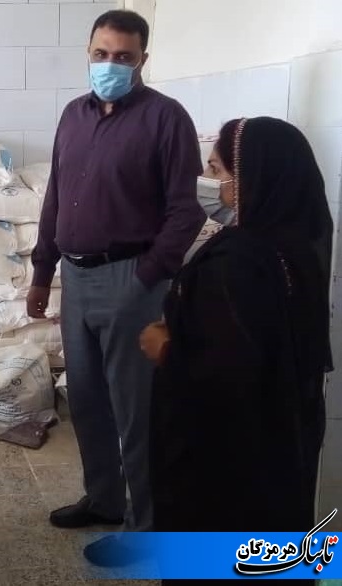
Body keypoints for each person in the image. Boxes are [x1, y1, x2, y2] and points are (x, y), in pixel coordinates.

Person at [27, 9, 205, 564]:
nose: (110, 65)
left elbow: (186, 211)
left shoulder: (166, 119)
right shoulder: (72, 116)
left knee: (136, 410)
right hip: (75, 277)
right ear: (88, 52)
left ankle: (145, 527)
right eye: (101, 54)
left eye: (123, 57)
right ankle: (103, 498)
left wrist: (147, 277)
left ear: (142, 60)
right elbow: (56, 197)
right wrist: (42, 270)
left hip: (133, 276)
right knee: (86, 399)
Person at [143, 117, 332, 585]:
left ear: (252, 177)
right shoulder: (298, 248)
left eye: (216, 169)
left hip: (223, 463)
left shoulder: (238, 262)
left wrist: (166, 347)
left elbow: (225, 372)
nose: (207, 182)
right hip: (279, 446)